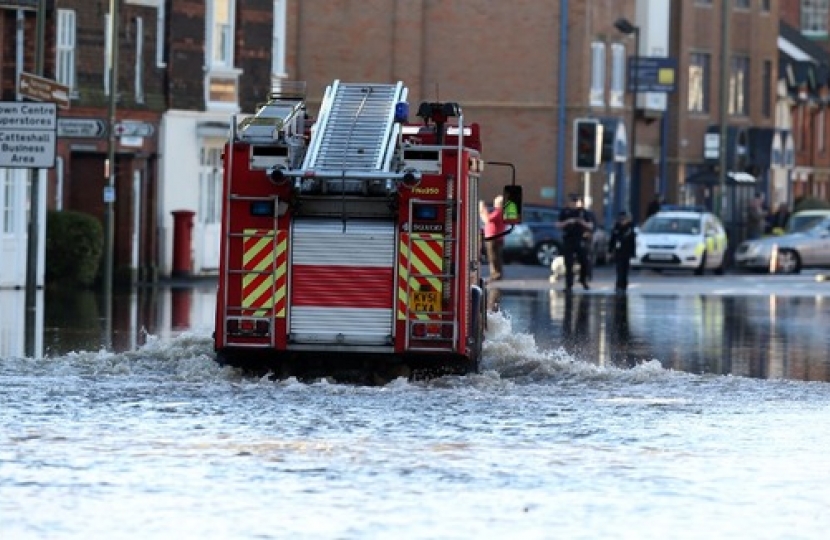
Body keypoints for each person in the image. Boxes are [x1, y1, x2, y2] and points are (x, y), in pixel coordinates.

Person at [556, 194, 593, 292]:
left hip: (580, 239)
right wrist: (568, 222)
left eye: (576, 202)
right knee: (569, 263)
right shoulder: (565, 212)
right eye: (572, 202)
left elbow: (590, 225)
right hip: (568, 239)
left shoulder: (583, 212)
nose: (574, 204)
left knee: (584, 261)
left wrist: (581, 222)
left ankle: (583, 279)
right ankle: (569, 285)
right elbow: (558, 224)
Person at [608, 211, 637, 293]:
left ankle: (624, 284)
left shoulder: (630, 228)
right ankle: (619, 284)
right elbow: (612, 239)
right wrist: (610, 250)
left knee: (625, 269)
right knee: (619, 268)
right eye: (621, 220)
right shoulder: (616, 228)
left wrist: (633, 253)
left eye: (624, 219)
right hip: (618, 251)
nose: (622, 221)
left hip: (626, 251)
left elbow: (632, 242)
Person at [479, 195, 506, 282]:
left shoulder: (498, 212)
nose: (494, 204)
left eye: (496, 202)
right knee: (496, 257)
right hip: (498, 237)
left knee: (493, 257)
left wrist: (483, 210)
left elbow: (487, 219)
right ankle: (497, 274)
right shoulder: (501, 212)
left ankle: (495, 275)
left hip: (494, 237)